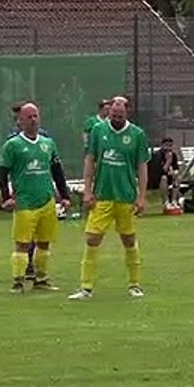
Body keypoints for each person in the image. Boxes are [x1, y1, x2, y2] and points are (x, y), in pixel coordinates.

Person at [69, 98, 150, 300]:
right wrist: (87, 190)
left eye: (120, 115)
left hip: (126, 196)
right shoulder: (98, 130)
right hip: (103, 195)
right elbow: (90, 160)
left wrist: (141, 197)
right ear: (108, 112)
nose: (116, 118)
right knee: (92, 238)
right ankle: (86, 287)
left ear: (127, 113)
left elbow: (142, 166)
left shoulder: (137, 135)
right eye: (113, 114)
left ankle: (134, 285)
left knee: (129, 239)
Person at [0, 103, 71, 293]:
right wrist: (6, 198)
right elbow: (3, 173)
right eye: (29, 117)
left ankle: (42, 279)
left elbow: (57, 171)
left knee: (44, 242)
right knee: (22, 243)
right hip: (25, 202)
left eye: (36, 116)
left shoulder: (48, 143)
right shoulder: (12, 145)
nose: (33, 120)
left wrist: (64, 195)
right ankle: (18, 281)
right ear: (20, 121)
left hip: (46, 199)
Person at [147, 137, 181, 210]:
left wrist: (175, 172)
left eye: (170, 146)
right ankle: (166, 202)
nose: (168, 148)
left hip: (168, 177)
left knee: (177, 178)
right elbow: (159, 172)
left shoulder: (173, 155)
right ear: (162, 145)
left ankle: (174, 201)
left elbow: (176, 168)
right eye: (166, 145)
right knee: (164, 178)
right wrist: (168, 161)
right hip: (154, 179)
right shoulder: (157, 155)